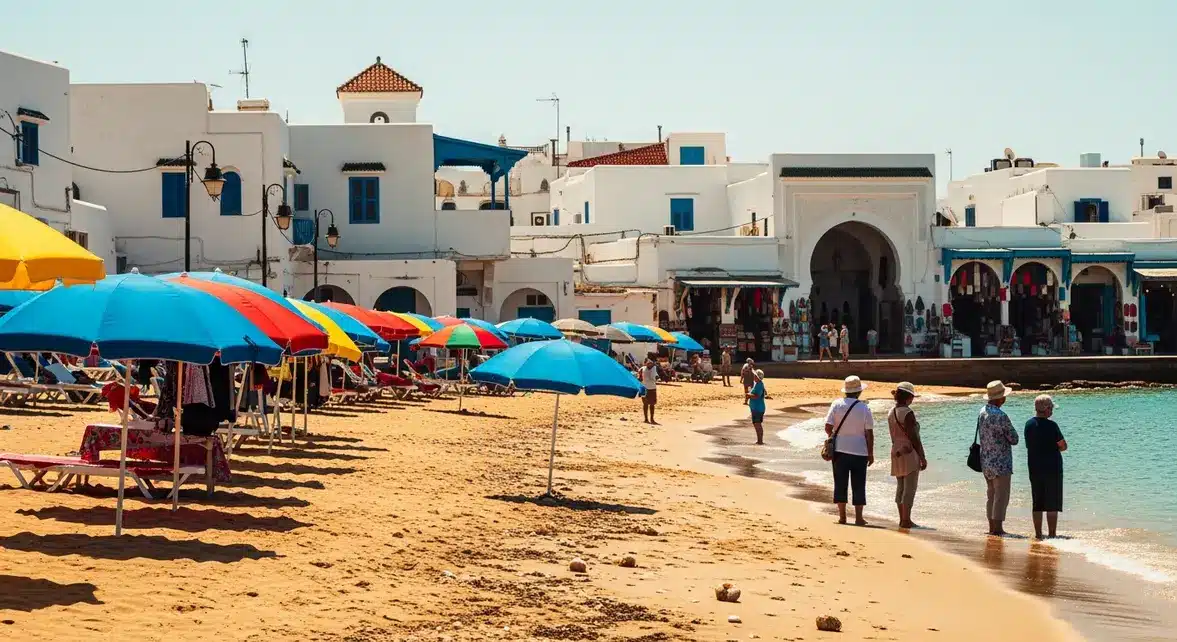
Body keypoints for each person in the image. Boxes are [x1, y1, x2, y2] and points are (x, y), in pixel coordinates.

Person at [825, 375, 875, 525]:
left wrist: (834, 436)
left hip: (839, 450)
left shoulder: (836, 404)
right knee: (859, 484)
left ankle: (842, 517)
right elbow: (869, 433)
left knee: (840, 483)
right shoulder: (864, 408)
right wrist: (871, 453)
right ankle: (859, 518)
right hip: (860, 451)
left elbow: (828, 427)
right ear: (859, 392)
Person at [978, 380, 1019, 536]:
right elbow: (1014, 439)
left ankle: (991, 527)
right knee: (1001, 496)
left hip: (986, 460)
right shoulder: (1001, 416)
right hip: (1001, 461)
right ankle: (998, 528)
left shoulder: (982, 412)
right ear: (1000, 398)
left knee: (991, 495)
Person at [1025, 395, 1067, 539]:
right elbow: (1063, 445)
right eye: (1051, 408)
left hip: (1034, 467)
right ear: (1047, 409)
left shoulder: (1028, 425)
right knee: (1052, 503)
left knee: (1037, 502)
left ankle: (1038, 534)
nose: (1052, 411)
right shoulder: (1052, 426)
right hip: (1052, 467)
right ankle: (1052, 534)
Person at [889, 381, 927, 528]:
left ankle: (902, 519)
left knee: (900, 487)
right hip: (909, 452)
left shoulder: (891, 412)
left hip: (896, 451)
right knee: (909, 488)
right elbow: (914, 438)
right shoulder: (908, 413)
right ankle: (906, 520)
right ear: (908, 397)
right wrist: (922, 457)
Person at [746, 369, 767, 445]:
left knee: (757, 424)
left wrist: (749, 395)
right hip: (756, 408)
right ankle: (759, 440)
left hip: (758, 408)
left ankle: (760, 441)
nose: (754, 377)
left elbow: (757, 396)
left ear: (758, 377)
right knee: (756, 424)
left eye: (755, 376)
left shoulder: (759, 385)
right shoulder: (758, 384)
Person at [640, 357, 658, 424]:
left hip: (650, 388)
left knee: (650, 404)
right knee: (647, 404)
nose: (650, 364)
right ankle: (647, 419)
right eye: (649, 363)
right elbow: (653, 377)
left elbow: (655, 377)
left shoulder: (653, 368)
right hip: (647, 388)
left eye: (651, 363)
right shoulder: (643, 369)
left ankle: (650, 419)